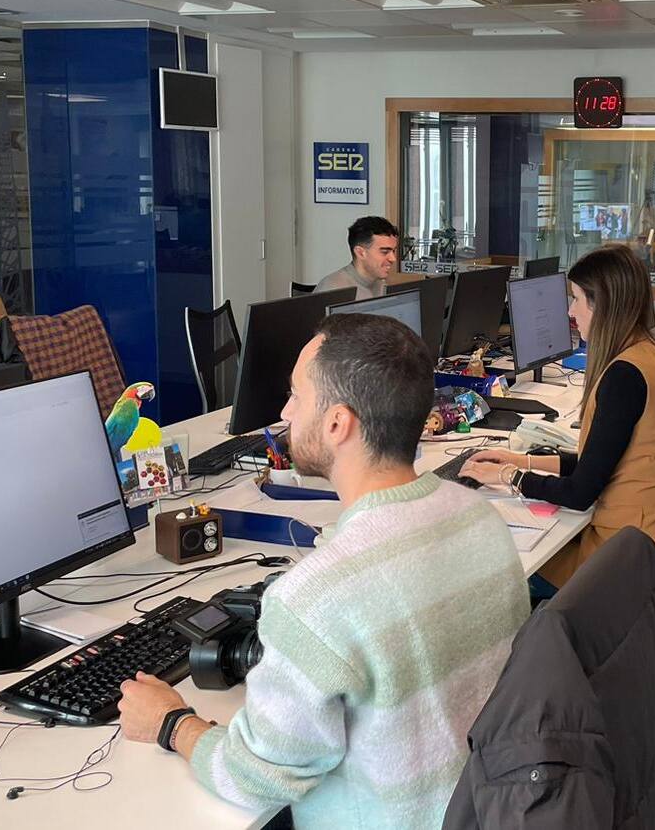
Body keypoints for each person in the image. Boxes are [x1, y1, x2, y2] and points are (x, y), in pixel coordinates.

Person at [118, 313, 529, 830]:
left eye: (296, 395)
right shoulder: (479, 517)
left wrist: (171, 723)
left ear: (337, 424)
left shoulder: (315, 597)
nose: (285, 411)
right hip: (488, 808)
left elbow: (257, 777)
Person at [460, 244, 655, 597]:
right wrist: (520, 460)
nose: (570, 311)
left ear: (603, 305)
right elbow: (601, 461)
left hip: (628, 556)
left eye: (577, 299)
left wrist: (508, 477)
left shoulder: (624, 376)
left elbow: (580, 493)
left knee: (494, 566)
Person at [313, 215, 399, 299]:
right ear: (360, 253)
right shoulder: (332, 290)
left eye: (394, 251)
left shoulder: (380, 283)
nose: (393, 259)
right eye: (385, 252)